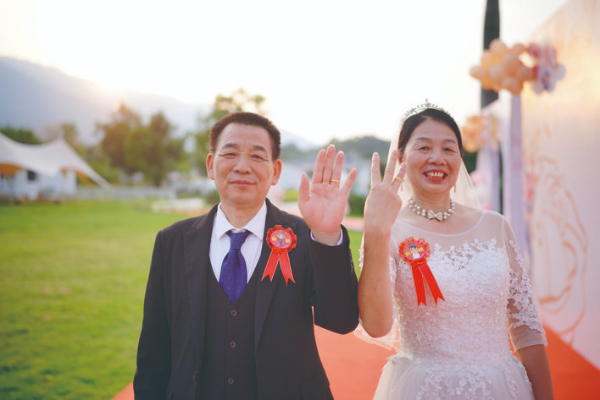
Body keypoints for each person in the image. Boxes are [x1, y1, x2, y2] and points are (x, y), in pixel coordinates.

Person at [134, 112, 359, 400]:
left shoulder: (307, 236)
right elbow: (154, 350)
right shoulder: (172, 241)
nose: (242, 167)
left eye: (257, 156)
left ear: (276, 171)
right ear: (210, 165)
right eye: (230, 153)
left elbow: (342, 321)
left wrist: (327, 236)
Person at [357, 102, 553, 400]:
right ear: (401, 157)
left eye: (449, 149)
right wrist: (376, 232)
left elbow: (525, 325)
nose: (437, 158)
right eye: (424, 148)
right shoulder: (388, 230)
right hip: (423, 389)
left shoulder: (495, 226)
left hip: (501, 386)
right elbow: (376, 325)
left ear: (460, 159)